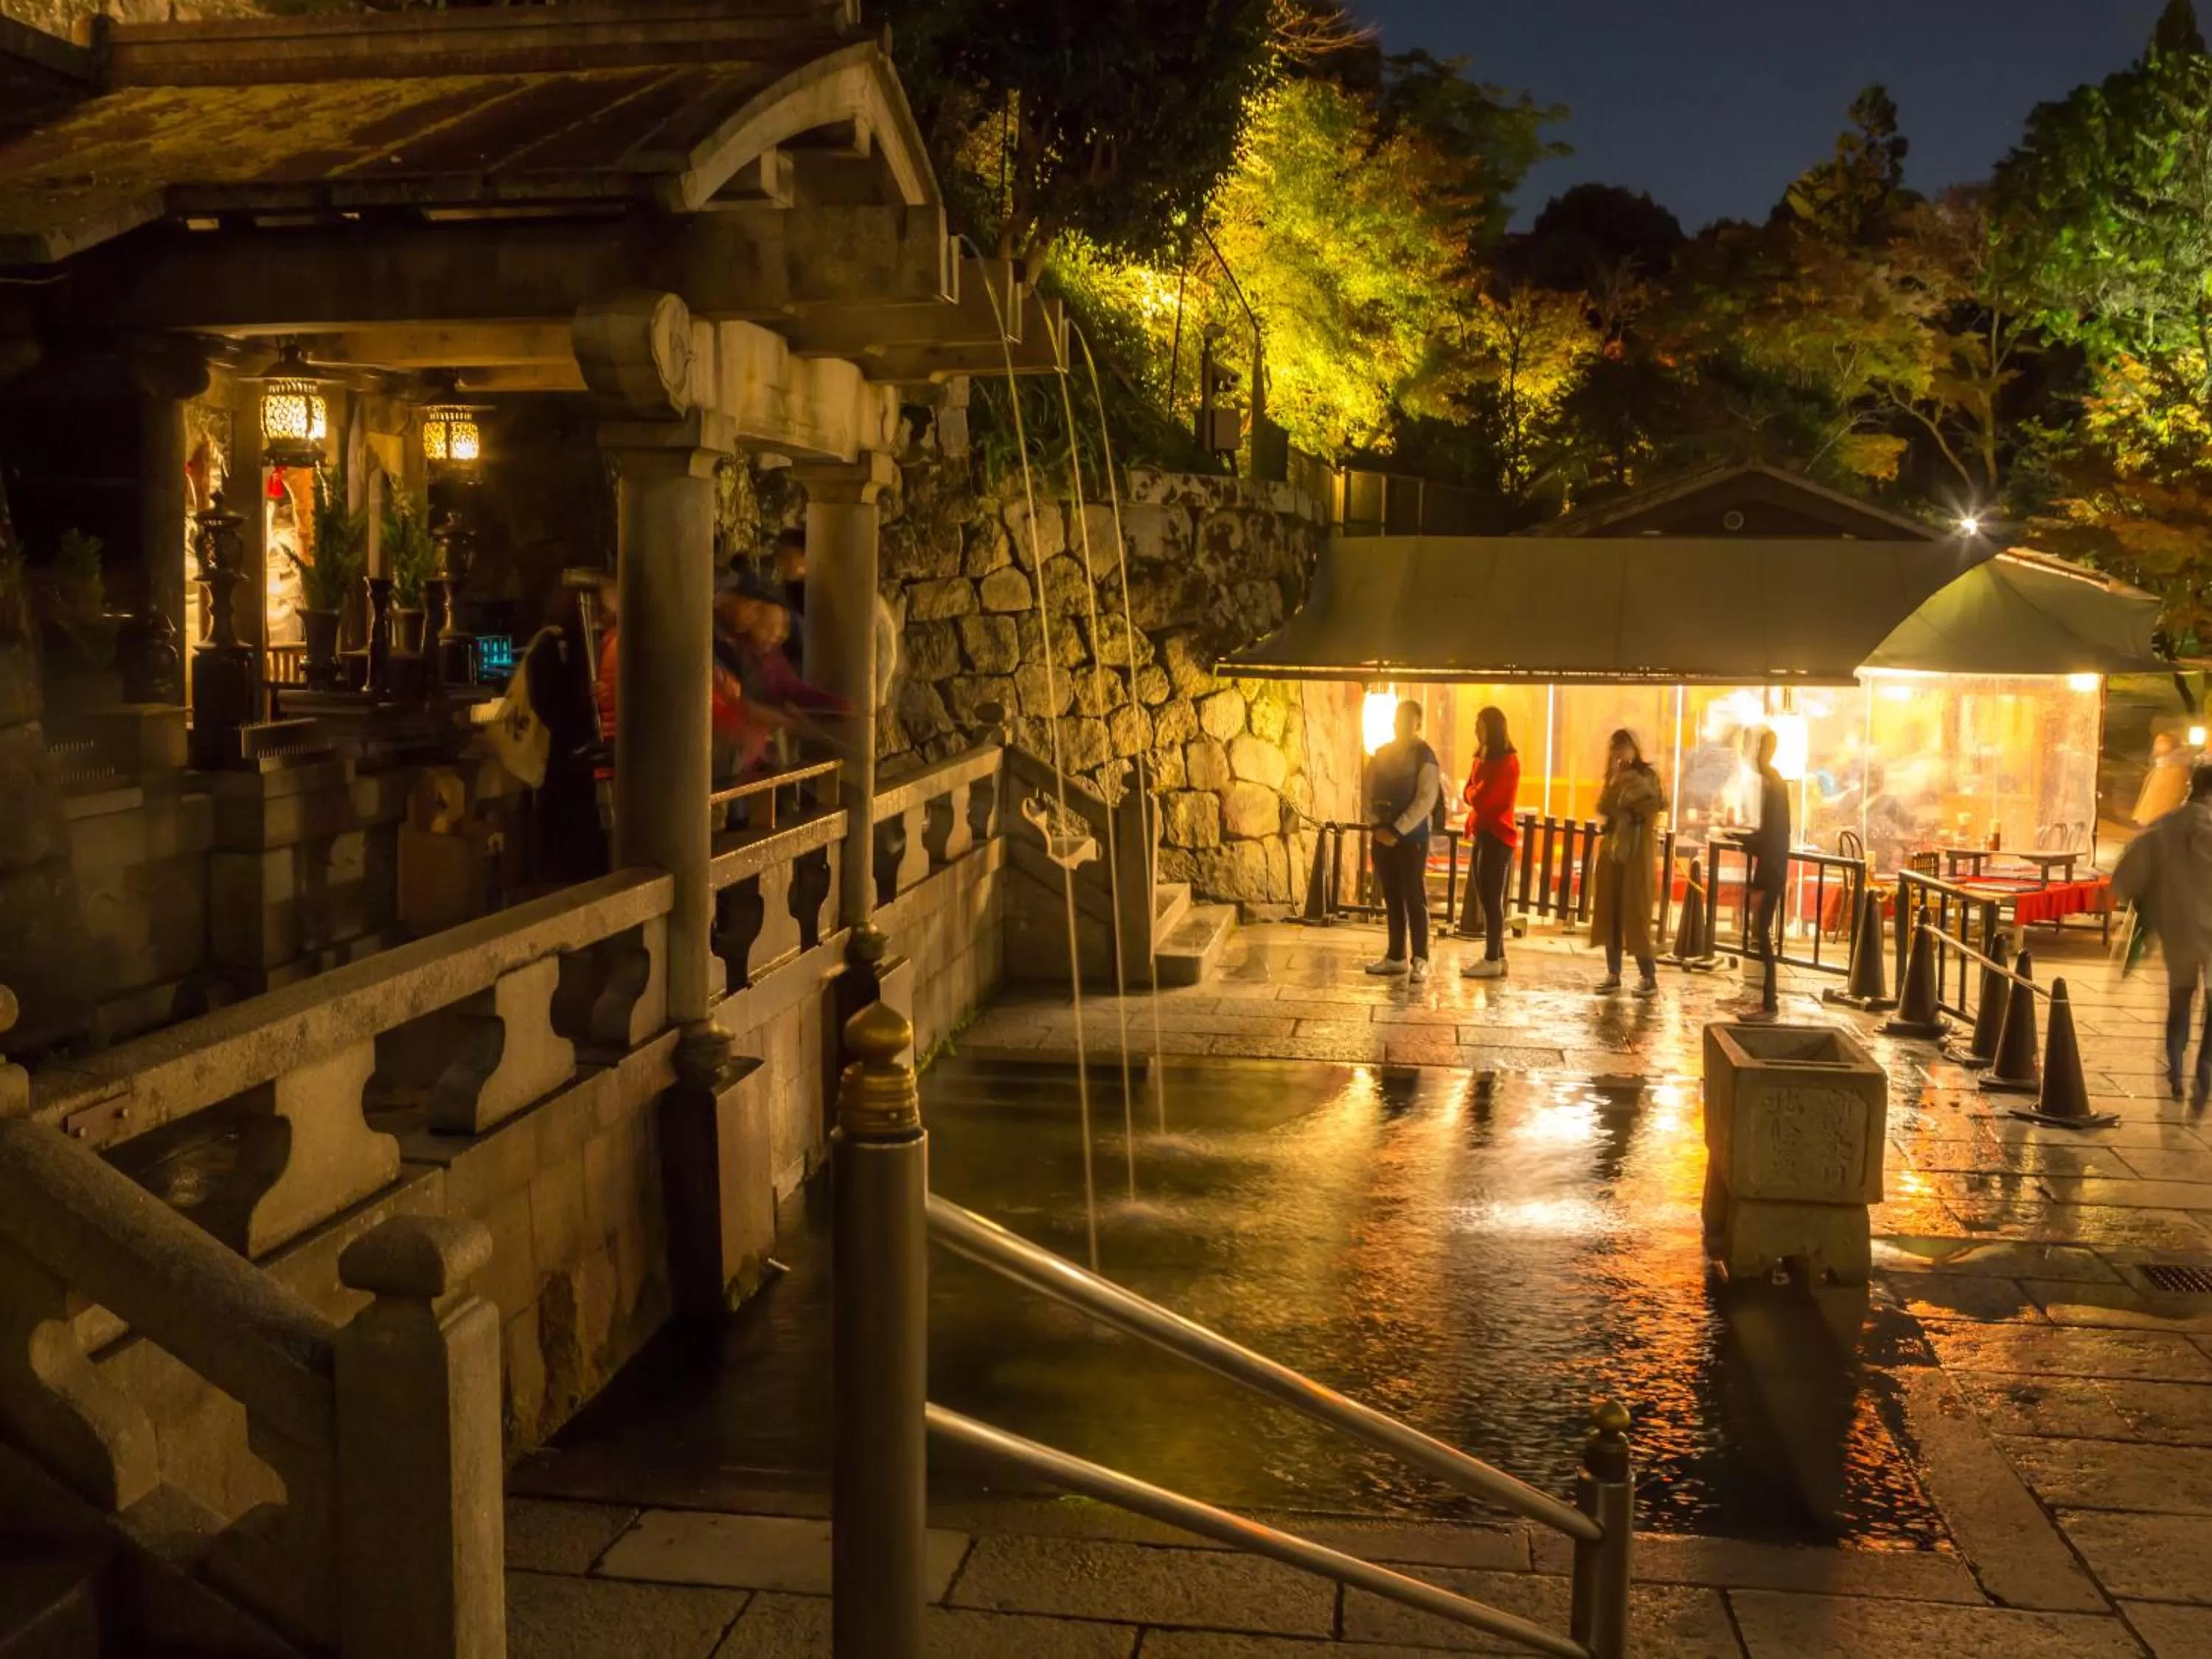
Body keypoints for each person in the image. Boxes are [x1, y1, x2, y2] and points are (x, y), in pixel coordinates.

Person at [2113, 763, 2212, 1104]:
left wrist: (2144, 903)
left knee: (2180, 1002)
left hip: (2179, 931)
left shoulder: (2165, 826)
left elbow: (2126, 872)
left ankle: (2175, 1069)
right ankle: (2206, 1069)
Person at [1365, 699, 1441, 984]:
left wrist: (1397, 830)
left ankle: (1420, 958)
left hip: (1412, 839)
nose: (1401, 723)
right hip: (1383, 835)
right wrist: (1376, 825)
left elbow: (1426, 799)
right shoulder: (1382, 753)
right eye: (1398, 718)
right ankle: (1396, 956)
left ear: (1418, 723)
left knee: (1413, 895)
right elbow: (1367, 789)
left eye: (1407, 719)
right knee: (1392, 896)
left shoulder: (1425, 756)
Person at [1590, 728, 1668, 996]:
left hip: (1637, 855)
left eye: (1624, 747)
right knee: (1610, 912)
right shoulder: (1612, 778)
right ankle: (1614, 973)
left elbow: (1654, 806)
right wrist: (1614, 780)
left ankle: (1648, 976)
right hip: (1613, 852)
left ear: (1635, 749)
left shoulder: (1647, 779)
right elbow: (1602, 806)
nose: (1620, 753)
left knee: (1636, 914)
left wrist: (1630, 797)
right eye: (1615, 747)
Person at [1458, 706, 1520, 979]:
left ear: (1492, 729)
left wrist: (1474, 793)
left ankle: (1492, 957)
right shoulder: (1480, 758)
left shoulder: (1507, 762)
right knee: (1485, 893)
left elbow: (1488, 800)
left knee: (1491, 897)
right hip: (1483, 831)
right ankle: (1499, 955)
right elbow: (1468, 792)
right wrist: (1475, 793)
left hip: (1498, 834)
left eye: (1480, 725)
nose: (1476, 730)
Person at [1742, 726, 1791, 1020]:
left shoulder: (1773, 783)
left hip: (1771, 869)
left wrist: (1747, 842)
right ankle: (1765, 998)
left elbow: (1772, 835)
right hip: (1772, 867)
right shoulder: (1773, 782)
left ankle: (1769, 1002)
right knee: (1760, 932)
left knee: (1762, 933)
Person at [771, 526, 808, 673]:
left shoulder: (817, 589)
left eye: (787, 557)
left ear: (804, 555)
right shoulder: (789, 589)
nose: (781, 564)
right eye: (780, 557)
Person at [2135, 731, 2192, 827]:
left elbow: (2182, 784)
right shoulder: (2160, 764)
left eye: (2162, 742)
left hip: (2168, 798)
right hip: (2156, 797)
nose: (2158, 746)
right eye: (2157, 742)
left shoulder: (2178, 765)